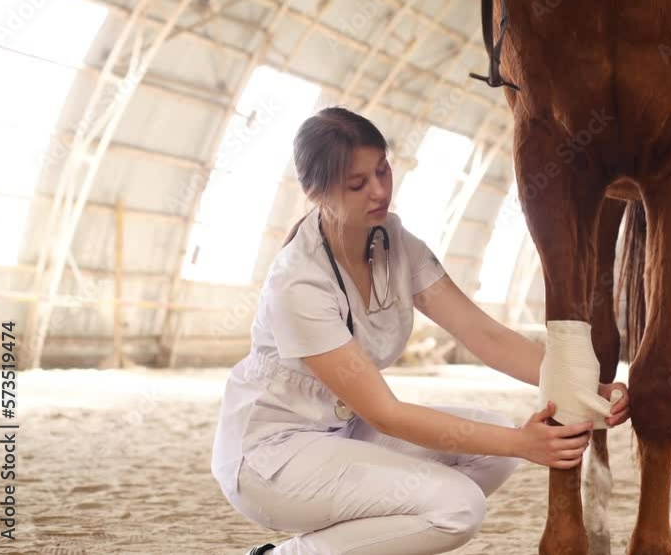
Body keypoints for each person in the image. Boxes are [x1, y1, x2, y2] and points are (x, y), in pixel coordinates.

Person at [210, 107, 631, 555]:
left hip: (341, 434)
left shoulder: (392, 238)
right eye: (358, 184)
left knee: (491, 448)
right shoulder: (298, 282)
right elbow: (386, 414)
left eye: (383, 170)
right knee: (457, 507)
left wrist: (587, 389)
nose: (379, 191)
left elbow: (483, 335)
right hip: (272, 458)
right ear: (316, 192)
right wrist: (524, 444)